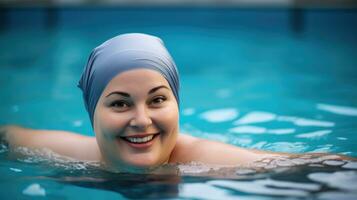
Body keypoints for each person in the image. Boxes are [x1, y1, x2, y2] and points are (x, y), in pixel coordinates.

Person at [0, 33, 345, 174]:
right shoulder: (57, 153)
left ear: (177, 104)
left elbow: (332, 167)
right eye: (120, 104)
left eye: (158, 100)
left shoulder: (207, 163)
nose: (141, 119)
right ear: (92, 113)